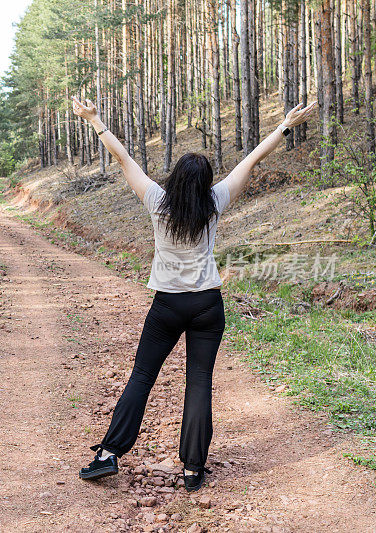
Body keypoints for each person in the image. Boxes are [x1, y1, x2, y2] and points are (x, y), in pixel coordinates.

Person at [70, 96, 317, 492]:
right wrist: (283, 126)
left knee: (143, 376)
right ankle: (192, 469)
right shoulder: (214, 202)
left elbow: (124, 160)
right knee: (198, 381)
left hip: (167, 305)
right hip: (207, 305)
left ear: (175, 179)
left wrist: (95, 120)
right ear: (204, 184)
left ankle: (109, 454)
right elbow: (249, 162)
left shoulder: (157, 201)